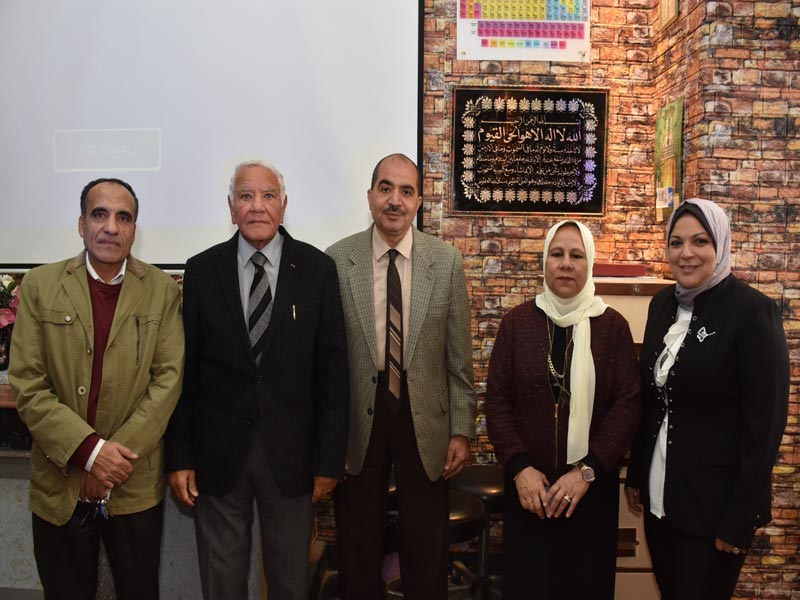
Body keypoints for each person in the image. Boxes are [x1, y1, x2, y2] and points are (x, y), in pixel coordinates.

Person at [165, 159, 349, 600]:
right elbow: (183, 373)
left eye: (268, 196)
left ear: (284, 206)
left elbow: (334, 372)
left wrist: (328, 460)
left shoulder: (318, 269)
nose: (257, 206)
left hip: (293, 456)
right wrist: (180, 456)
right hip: (217, 454)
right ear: (231, 208)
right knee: (222, 580)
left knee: (289, 580)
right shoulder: (202, 270)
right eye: (245, 196)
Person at [9, 178, 185, 600]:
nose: (111, 227)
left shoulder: (161, 291)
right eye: (99, 214)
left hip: (133, 480)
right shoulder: (40, 286)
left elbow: (169, 380)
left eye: (123, 217)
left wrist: (110, 461)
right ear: (81, 224)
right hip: (60, 479)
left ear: (134, 230)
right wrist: (89, 454)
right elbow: (28, 385)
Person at [326, 153, 476, 599]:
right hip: (359, 416)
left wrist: (462, 430)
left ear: (419, 201)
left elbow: (459, 357)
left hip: (424, 415)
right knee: (358, 540)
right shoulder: (337, 260)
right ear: (370, 196)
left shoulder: (444, 261)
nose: (395, 200)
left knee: (426, 543)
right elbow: (328, 361)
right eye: (386, 189)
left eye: (406, 191)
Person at [625, 198, 789, 600]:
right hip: (661, 498)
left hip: (715, 509)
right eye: (676, 242)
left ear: (720, 245)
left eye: (700, 241)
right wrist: (637, 475)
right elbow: (653, 400)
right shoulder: (662, 304)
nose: (687, 253)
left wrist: (739, 520)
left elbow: (764, 429)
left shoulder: (753, 312)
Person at [485, 219, 641, 600]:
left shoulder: (613, 327)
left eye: (576, 255)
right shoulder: (516, 324)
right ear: (545, 262)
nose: (566, 263)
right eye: (557, 254)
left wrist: (586, 471)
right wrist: (520, 469)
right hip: (529, 496)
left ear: (589, 265)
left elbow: (628, 406)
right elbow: (497, 402)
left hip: (590, 493)